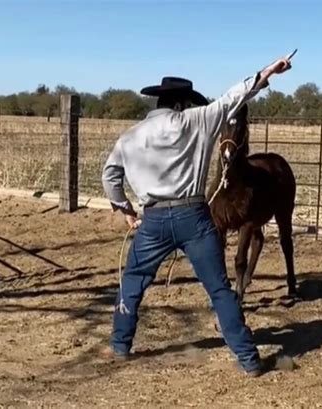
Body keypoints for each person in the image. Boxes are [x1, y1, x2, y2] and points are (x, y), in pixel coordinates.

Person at [100, 56, 292, 376]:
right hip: (194, 218)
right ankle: (248, 358)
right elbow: (236, 95)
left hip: (154, 221)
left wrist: (125, 209)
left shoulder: (131, 136)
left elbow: (110, 176)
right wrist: (269, 71)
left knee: (133, 280)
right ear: (181, 103)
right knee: (219, 289)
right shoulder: (197, 120)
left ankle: (120, 345)